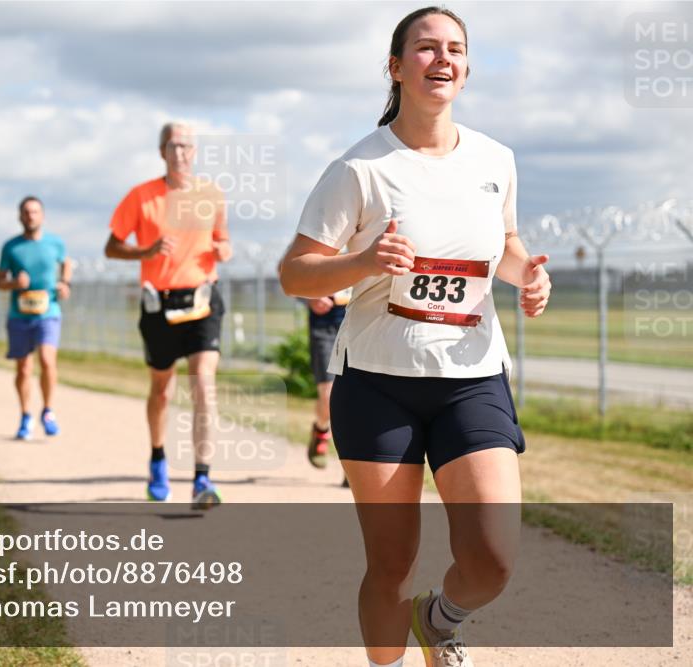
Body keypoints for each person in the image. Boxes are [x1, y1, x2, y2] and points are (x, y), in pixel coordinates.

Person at [278, 7, 552, 667]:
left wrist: (527, 276)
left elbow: (504, 246)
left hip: (472, 375)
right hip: (378, 382)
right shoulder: (360, 168)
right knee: (392, 561)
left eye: (455, 48)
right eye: (425, 49)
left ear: (465, 66)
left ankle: (438, 620)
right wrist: (364, 262)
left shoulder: (495, 160)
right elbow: (295, 271)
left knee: (492, 555)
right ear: (396, 67)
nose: (443, 59)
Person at [104, 122, 232, 509]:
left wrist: (224, 250)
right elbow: (111, 247)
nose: (181, 152)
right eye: (173, 145)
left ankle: (202, 478)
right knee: (162, 389)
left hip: (202, 300)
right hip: (158, 304)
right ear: (162, 152)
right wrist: (145, 252)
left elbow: (222, 239)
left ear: (194, 153)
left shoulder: (211, 194)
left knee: (203, 384)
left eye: (187, 146)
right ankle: (158, 458)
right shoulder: (141, 197)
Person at [0, 196, 72, 439]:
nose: (31, 216)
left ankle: (48, 411)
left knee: (48, 360)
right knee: (24, 368)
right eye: (26, 212)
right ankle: (26, 414)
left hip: (48, 311)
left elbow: (67, 263)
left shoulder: (55, 243)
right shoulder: (11, 247)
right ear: (20, 216)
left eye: (35, 212)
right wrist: (13, 283)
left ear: (43, 215)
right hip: (20, 314)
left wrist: (64, 283)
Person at [303, 289, 352, 488]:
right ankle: (321, 430)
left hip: (361, 321)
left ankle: (352, 467)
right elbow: (288, 269)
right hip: (325, 324)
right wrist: (309, 295)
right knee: (328, 395)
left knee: (358, 397)